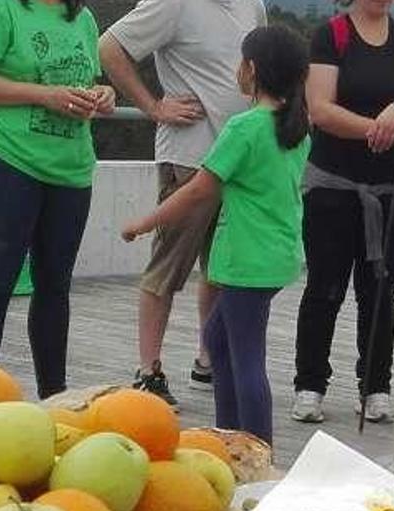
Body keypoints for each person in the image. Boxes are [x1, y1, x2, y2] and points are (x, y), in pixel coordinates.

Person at [124, 26, 311, 444]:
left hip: (247, 260)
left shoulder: (245, 127)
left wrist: (145, 223)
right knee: (217, 340)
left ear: (251, 69)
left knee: (246, 359)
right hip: (275, 255)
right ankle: (225, 436)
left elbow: (198, 189)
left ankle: (258, 451)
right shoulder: (295, 128)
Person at [100, 0, 268, 408]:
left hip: (238, 161)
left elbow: (261, 61)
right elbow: (110, 46)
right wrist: (153, 106)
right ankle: (148, 370)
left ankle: (208, 358)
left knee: (220, 266)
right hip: (189, 159)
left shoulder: (252, 5)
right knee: (169, 265)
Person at [0, 0, 115, 400]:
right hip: (8, 158)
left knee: (55, 285)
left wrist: (104, 93)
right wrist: (43, 95)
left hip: (71, 168)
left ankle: (54, 398)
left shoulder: (83, 16)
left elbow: (86, 79)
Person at [291, 0, 394, 424]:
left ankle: (376, 386)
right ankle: (310, 384)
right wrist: (382, 129)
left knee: (380, 290)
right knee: (325, 287)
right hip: (334, 185)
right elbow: (320, 108)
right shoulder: (330, 35)